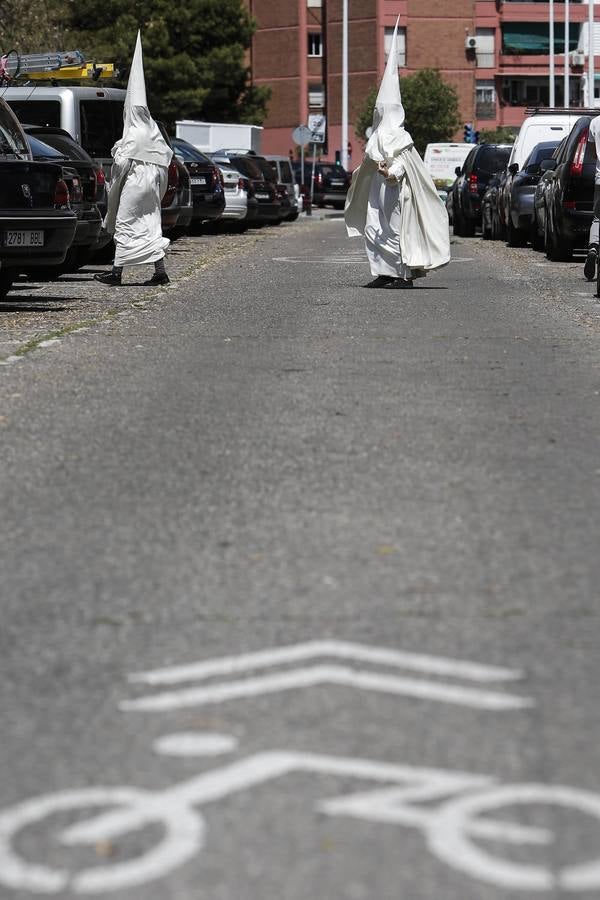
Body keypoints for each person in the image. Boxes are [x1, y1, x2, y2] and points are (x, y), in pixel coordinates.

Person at [344, 20, 450, 289]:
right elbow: (368, 162)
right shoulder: (376, 136)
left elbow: (403, 164)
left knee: (395, 231)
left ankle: (403, 275)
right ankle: (383, 272)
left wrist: (389, 173)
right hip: (377, 192)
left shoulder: (402, 137)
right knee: (373, 228)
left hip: (396, 193)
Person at [95, 31, 173, 288]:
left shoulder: (134, 133)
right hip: (151, 187)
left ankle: (116, 272)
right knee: (152, 225)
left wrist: (116, 172)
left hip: (135, 184)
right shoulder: (153, 132)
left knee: (125, 224)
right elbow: (164, 167)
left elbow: (121, 164)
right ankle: (160, 271)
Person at [584, 115, 600, 282]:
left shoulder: (594, 122)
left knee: (597, 218)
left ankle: (593, 248)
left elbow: (590, 152)